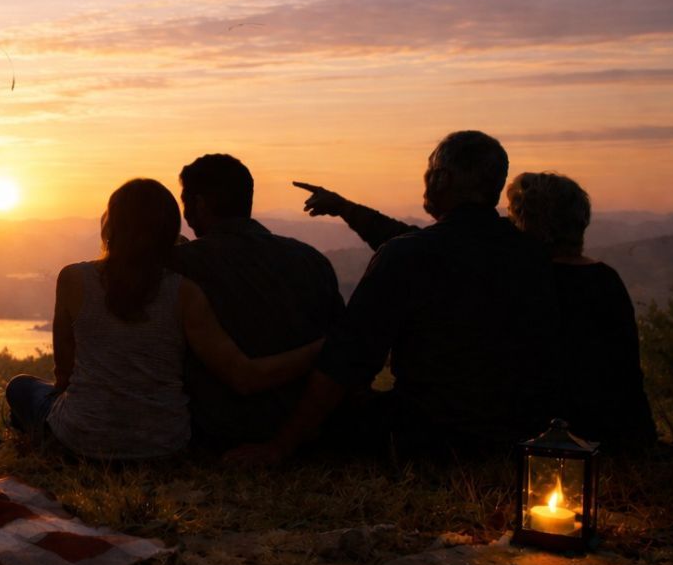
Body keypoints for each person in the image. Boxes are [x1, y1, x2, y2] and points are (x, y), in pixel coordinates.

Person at [231, 131, 561, 464]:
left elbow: (347, 359)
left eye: (429, 171)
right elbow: (420, 243)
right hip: (519, 436)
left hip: (430, 439)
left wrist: (282, 445)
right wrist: (345, 208)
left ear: (442, 178)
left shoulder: (411, 255)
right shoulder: (533, 254)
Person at [4, 179, 323, 460]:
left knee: (21, 387)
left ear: (111, 226)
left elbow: (64, 375)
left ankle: (34, 437)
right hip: (164, 445)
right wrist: (323, 348)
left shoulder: (73, 279)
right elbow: (245, 376)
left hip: (81, 439)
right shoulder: (184, 293)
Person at [171, 154, 345, 447]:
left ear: (199, 205)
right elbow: (342, 358)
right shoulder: (312, 261)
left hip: (213, 430)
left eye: (186, 204)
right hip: (308, 427)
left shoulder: (179, 268)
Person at [506, 172, 656, 447]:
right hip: (620, 434)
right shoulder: (606, 279)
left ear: (528, 224)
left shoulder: (531, 283)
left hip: (553, 440)